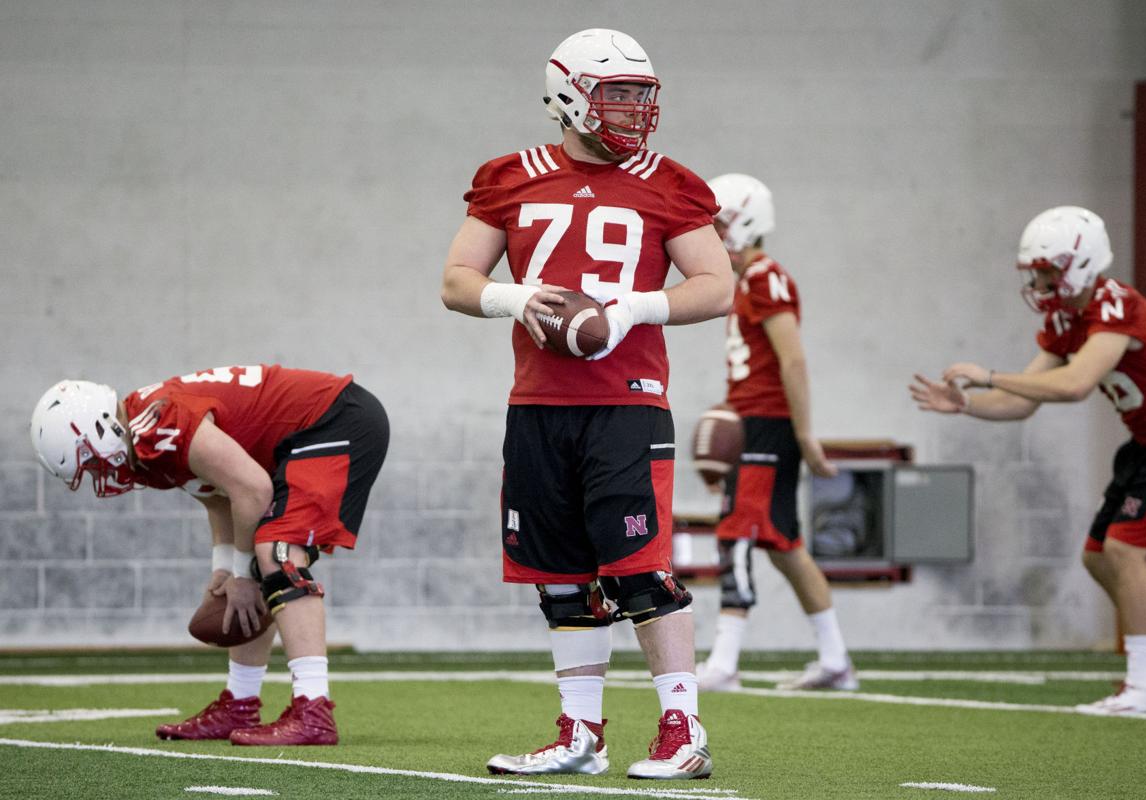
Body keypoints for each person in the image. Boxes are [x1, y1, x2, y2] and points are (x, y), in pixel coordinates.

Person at [440, 28, 732, 780]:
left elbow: (716, 286)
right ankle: (580, 735)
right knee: (561, 575)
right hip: (538, 404)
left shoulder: (671, 182)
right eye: (617, 93)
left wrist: (634, 308)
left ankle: (683, 730)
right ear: (568, 95)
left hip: (627, 404)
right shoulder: (510, 176)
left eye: (640, 93)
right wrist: (514, 297)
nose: (634, 108)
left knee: (639, 570)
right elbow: (457, 280)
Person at [911, 206, 1146, 716]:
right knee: (1098, 556)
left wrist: (989, 375)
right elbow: (1021, 401)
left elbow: (1073, 384)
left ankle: (1144, 685)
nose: (1041, 281)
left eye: (1048, 270)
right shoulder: (1068, 317)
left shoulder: (1116, 306)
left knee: (1124, 550)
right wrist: (966, 403)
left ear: (1081, 263)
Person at [30, 364, 389, 742]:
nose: (96, 473)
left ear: (102, 428)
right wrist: (225, 570)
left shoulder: (160, 425)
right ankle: (240, 705)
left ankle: (313, 710)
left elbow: (252, 490)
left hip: (336, 420)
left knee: (277, 552)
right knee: (255, 562)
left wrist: (243, 576)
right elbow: (220, 496)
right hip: (311, 428)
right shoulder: (144, 434)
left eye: (89, 462)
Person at [693, 174, 857, 694]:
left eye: (720, 223)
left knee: (735, 532)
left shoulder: (766, 278)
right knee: (784, 545)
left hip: (766, 425)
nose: (713, 233)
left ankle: (724, 661)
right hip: (753, 421)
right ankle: (835, 660)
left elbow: (793, 360)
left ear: (746, 222)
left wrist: (805, 435)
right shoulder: (745, 281)